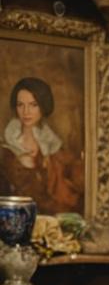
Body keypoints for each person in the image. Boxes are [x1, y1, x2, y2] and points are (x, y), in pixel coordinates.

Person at [0, 77, 84, 215]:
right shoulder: (6, 145)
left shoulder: (51, 144)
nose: (26, 111)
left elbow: (63, 189)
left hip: (48, 214)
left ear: (43, 106)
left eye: (33, 105)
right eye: (21, 105)